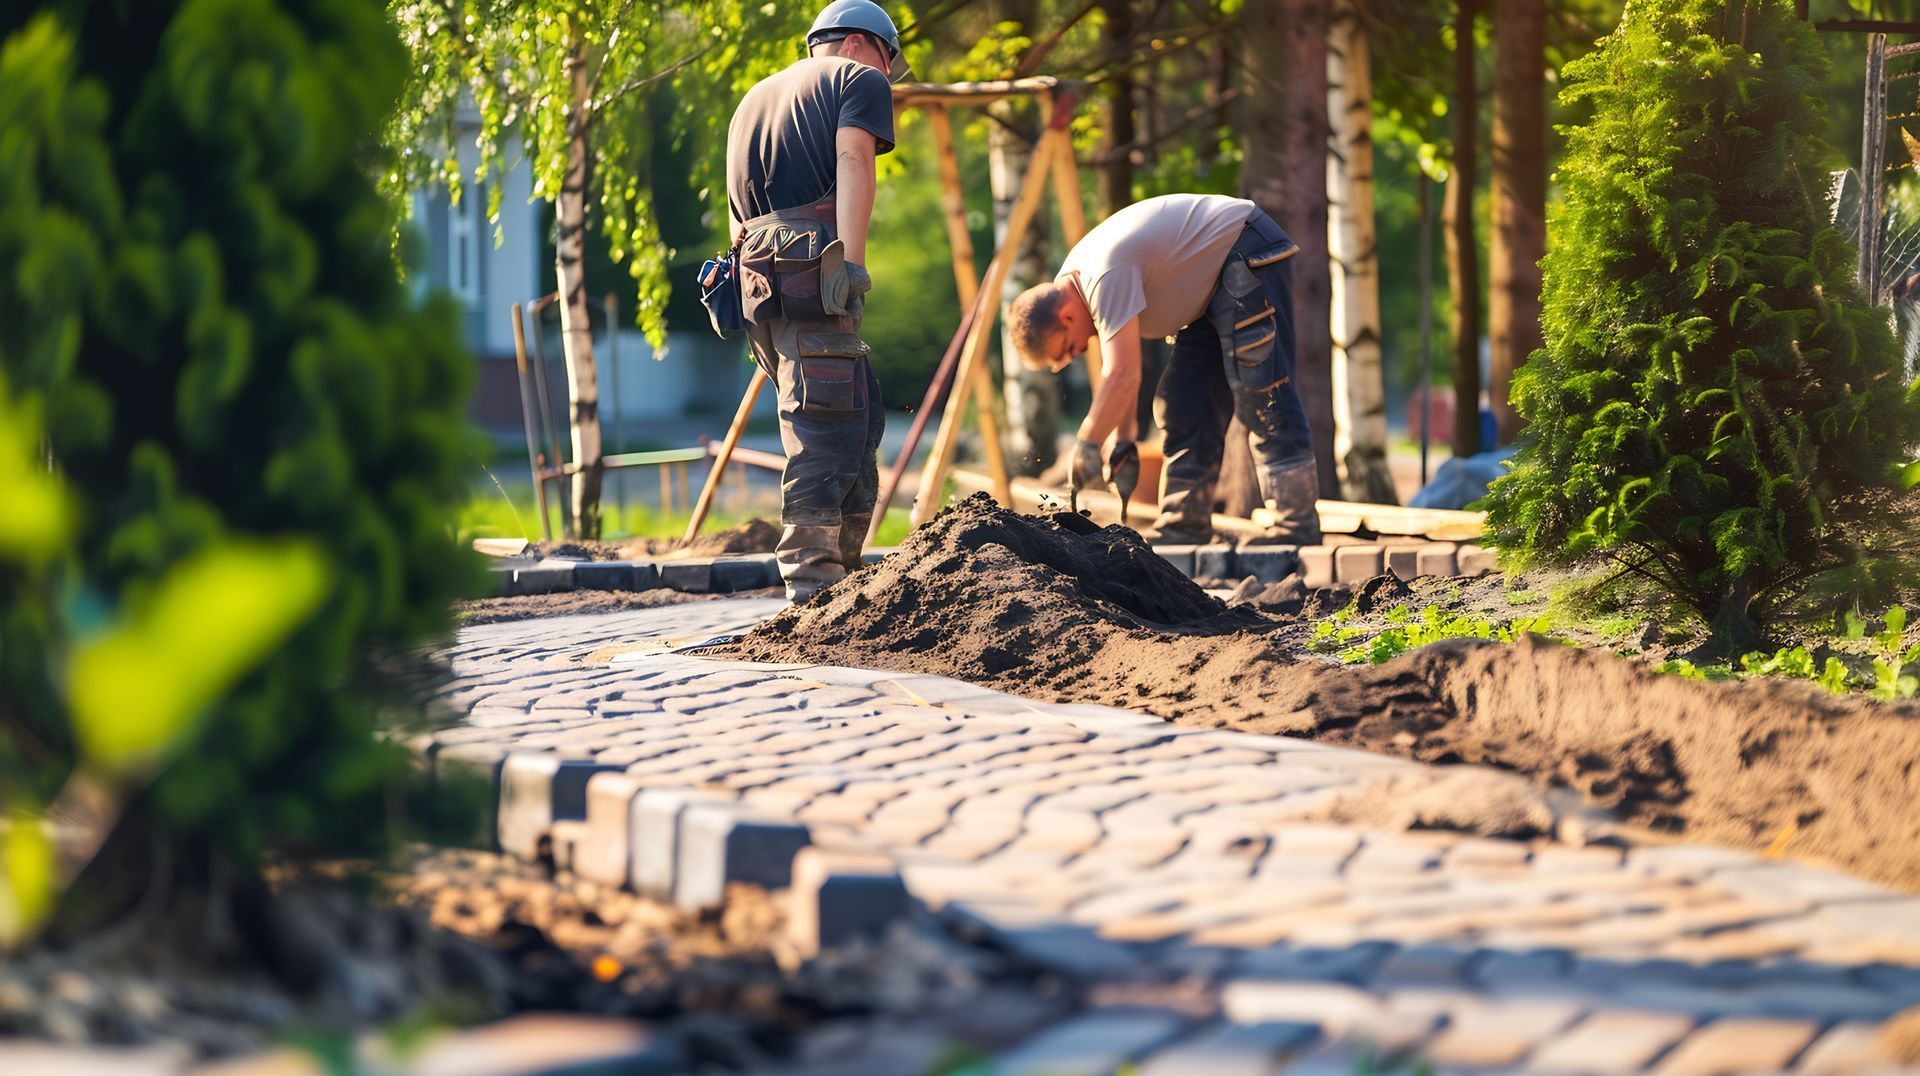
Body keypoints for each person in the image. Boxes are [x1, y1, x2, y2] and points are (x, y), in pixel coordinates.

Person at [1007, 193, 1321, 545]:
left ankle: (1296, 526)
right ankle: (1183, 527)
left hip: (1245, 250)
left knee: (1262, 390)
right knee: (1182, 400)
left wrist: (1088, 442)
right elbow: (1126, 368)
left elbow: (1122, 373)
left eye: (1066, 349)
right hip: (1210, 286)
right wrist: (1123, 441)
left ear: (1066, 316)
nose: (1077, 354)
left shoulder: (1102, 274)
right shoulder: (1080, 282)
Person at [724, 0, 908, 601]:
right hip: (812, 269)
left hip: (757, 276)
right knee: (825, 421)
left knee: (861, 412)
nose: (888, 75)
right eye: (888, 60)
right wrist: (848, 264)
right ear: (859, 43)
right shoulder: (857, 80)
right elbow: (855, 158)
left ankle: (845, 577)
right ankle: (812, 581)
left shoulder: (754, 98)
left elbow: (737, 213)